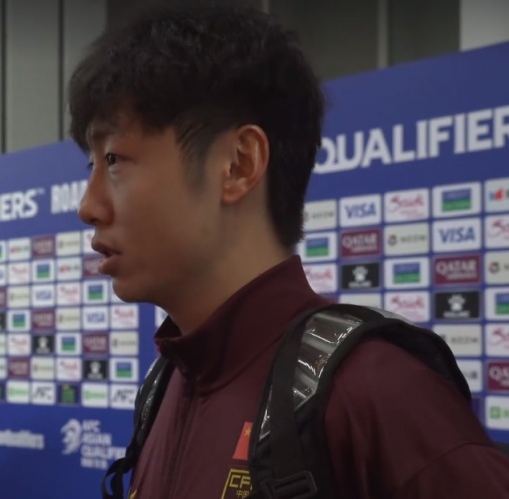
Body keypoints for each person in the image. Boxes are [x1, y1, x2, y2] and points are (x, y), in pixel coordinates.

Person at [69, 0, 509, 498]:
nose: (88, 206)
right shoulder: (165, 385)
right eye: (92, 165)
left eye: (114, 159)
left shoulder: (379, 392)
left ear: (238, 164)